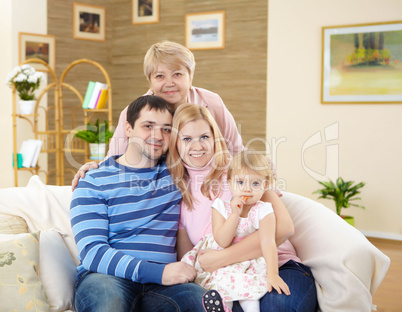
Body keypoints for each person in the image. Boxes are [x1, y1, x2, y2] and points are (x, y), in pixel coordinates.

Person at [167, 104, 318, 312]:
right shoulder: (180, 193)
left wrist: (220, 259)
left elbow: (284, 228)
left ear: (215, 138)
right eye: (187, 139)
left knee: (275, 308)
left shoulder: (239, 168)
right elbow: (190, 260)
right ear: (175, 143)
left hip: (277, 265)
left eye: (204, 137)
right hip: (226, 279)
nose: (197, 146)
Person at [70, 95, 206, 312]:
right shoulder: (93, 181)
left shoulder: (177, 173)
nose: (158, 135)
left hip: (162, 286)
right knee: (108, 304)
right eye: (148, 126)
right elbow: (92, 253)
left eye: (166, 129)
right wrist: (159, 272)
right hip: (107, 277)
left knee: (198, 301)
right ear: (128, 128)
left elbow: (229, 166)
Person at [71, 40, 243, 190]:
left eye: (177, 74)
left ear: (190, 76)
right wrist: (96, 168)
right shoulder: (133, 112)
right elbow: (115, 158)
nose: (169, 83)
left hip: (206, 185)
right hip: (161, 190)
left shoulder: (211, 102)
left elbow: (235, 151)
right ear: (150, 81)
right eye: (160, 76)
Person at [181, 151, 290, 312]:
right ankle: (223, 308)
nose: (247, 189)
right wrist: (234, 215)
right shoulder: (220, 208)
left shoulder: (264, 210)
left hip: (248, 261)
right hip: (222, 259)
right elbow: (222, 241)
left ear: (265, 186)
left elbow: (268, 241)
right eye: (240, 182)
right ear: (230, 183)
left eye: (255, 184)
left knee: (250, 296)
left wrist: (273, 274)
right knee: (222, 289)